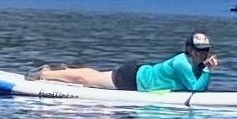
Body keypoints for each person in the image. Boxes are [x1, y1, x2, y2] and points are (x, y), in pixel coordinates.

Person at [33, 32, 221, 94]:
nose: (203, 54)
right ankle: (45, 74)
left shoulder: (193, 62)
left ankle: (62, 71)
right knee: (88, 80)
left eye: (206, 50)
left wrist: (203, 67)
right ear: (189, 49)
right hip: (133, 79)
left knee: (94, 77)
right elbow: (196, 90)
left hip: (140, 74)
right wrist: (207, 70)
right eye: (199, 50)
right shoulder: (182, 62)